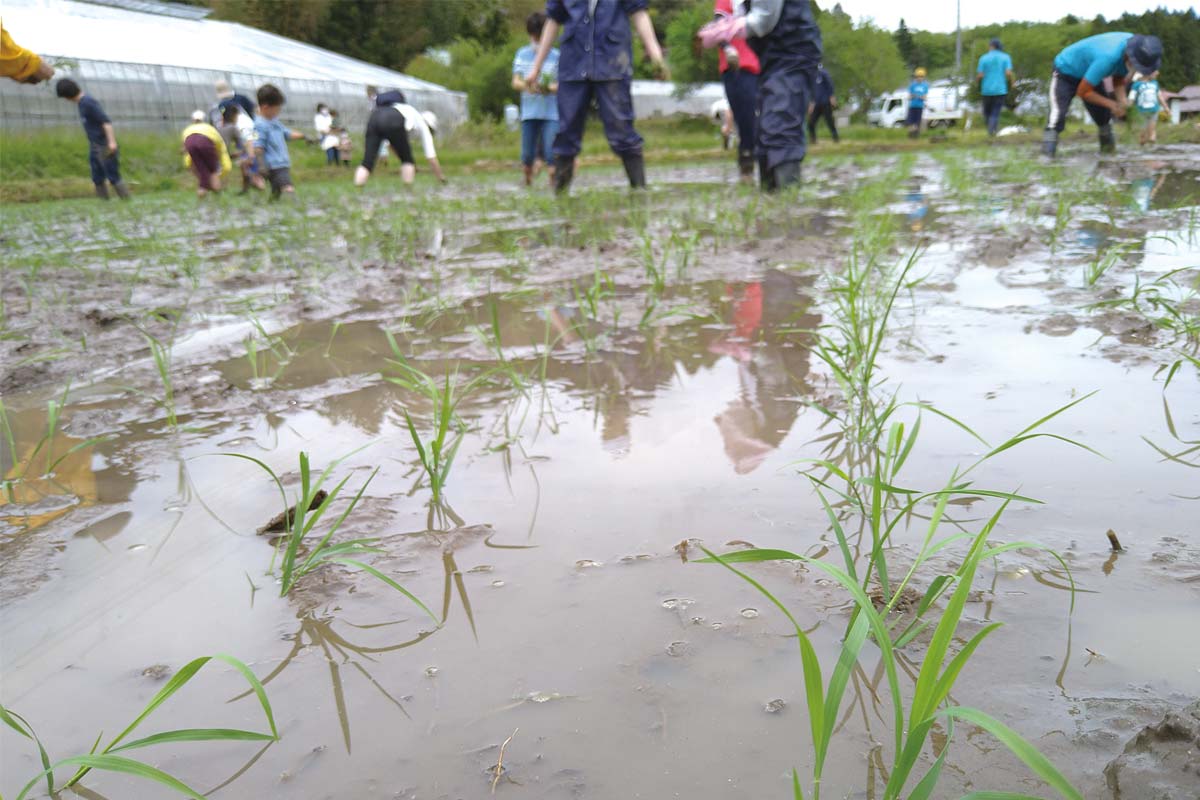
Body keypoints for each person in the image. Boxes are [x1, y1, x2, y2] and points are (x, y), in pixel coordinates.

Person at [524, 0, 670, 194]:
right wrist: (536, 67)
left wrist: (656, 58)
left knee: (622, 130)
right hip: (573, 65)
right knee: (566, 133)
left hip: (612, 63)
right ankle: (560, 196)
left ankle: (640, 190)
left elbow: (640, 14)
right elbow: (553, 21)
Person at [698, 0, 823, 191]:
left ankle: (790, 207)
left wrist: (727, 30)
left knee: (781, 123)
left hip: (793, 52)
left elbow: (763, 20)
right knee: (764, 132)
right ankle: (771, 205)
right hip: (771, 58)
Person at [1043, 32, 1163, 157]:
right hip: (1066, 71)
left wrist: (1122, 101)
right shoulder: (1108, 57)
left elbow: (1118, 77)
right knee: (1057, 116)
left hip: (1092, 74)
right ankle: (1047, 158)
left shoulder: (1136, 48)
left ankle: (1108, 155)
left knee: (1104, 119)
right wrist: (1112, 105)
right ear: (1130, 57)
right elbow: (1083, 92)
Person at [55, 78, 129, 200]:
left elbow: (106, 122)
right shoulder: (81, 104)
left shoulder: (88, 102)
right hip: (94, 145)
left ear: (67, 96)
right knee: (97, 177)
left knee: (112, 175)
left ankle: (126, 200)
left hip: (104, 145)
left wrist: (111, 142)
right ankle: (104, 204)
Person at [713, 0, 761, 181]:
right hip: (732, 64)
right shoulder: (726, 1)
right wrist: (726, 48)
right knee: (742, 116)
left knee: (753, 114)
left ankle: (752, 158)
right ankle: (747, 160)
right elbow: (718, 25)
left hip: (757, 63)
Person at [512, 11, 560, 187]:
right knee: (527, 156)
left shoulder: (556, 56)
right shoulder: (522, 54)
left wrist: (548, 88)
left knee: (551, 152)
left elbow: (562, 85)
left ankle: (555, 186)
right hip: (529, 112)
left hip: (551, 113)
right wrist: (528, 86)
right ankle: (528, 183)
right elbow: (515, 81)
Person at [253, 83, 305, 199]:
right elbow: (258, 146)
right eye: (277, 109)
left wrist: (303, 136)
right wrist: (261, 166)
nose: (279, 111)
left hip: (282, 162)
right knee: (287, 186)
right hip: (274, 165)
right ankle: (295, 205)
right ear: (266, 107)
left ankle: (272, 206)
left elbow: (287, 133)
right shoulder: (259, 125)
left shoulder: (275, 122)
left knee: (276, 192)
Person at [354, 101, 417, 187]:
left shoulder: (384, 107)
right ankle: (408, 188)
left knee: (367, 162)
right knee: (407, 160)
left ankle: (358, 188)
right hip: (394, 118)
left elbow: (392, 144)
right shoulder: (414, 114)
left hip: (374, 117)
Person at [181, 110, 232, 197]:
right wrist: (225, 164)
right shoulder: (209, 128)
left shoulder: (187, 129)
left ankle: (205, 187)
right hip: (206, 142)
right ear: (203, 119)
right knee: (213, 170)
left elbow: (185, 148)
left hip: (190, 143)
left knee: (202, 170)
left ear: (193, 120)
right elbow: (220, 146)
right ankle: (213, 191)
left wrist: (187, 164)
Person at [219, 104, 263, 193]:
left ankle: (260, 189)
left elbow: (249, 139)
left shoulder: (242, 123)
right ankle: (245, 190)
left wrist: (251, 156)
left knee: (254, 173)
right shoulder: (240, 121)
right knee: (245, 169)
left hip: (252, 147)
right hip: (249, 147)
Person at [976, 38, 1014, 137]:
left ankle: (990, 130)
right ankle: (992, 131)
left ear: (991, 46)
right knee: (996, 111)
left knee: (986, 112)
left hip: (986, 89)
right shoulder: (1006, 57)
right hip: (1000, 88)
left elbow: (980, 74)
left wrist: (976, 82)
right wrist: (1012, 82)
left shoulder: (983, 58)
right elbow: (1008, 73)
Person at [1130, 70, 1167, 145]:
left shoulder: (1155, 83)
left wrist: (1166, 107)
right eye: (1155, 71)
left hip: (1154, 110)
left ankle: (1152, 144)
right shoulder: (1136, 85)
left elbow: (1159, 96)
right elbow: (1131, 97)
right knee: (1142, 134)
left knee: (1152, 131)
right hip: (1141, 112)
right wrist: (1128, 109)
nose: (1157, 73)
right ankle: (1142, 145)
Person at [808, 64, 838, 144]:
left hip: (825, 103)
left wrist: (832, 97)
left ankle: (835, 138)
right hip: (816, 104)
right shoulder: (811, 76)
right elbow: (811, 91)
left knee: (829, 121)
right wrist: (811, 103)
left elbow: (830, 84)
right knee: (811, 122)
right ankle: (813, 139)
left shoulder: (823, 73)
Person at [907, 67, 929, 138]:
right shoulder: (912, 85)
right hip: (912, 106)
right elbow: (909, 97)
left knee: (917, 123)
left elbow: (925, 97)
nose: (919, 78)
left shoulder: (925, 86)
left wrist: (920, 96)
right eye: (918, 76)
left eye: (921, 76)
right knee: (910, 123)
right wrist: (913, 96)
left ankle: (916, 136)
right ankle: (910, 136)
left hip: (920, 106)